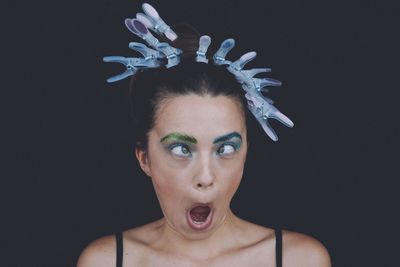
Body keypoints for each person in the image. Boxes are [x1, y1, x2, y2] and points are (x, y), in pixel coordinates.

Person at [77, 3, 331, 266]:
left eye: (226, 149)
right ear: (144, 158)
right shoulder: (106, 261)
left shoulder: (298, 259)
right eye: (180, 150)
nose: (206, 177)